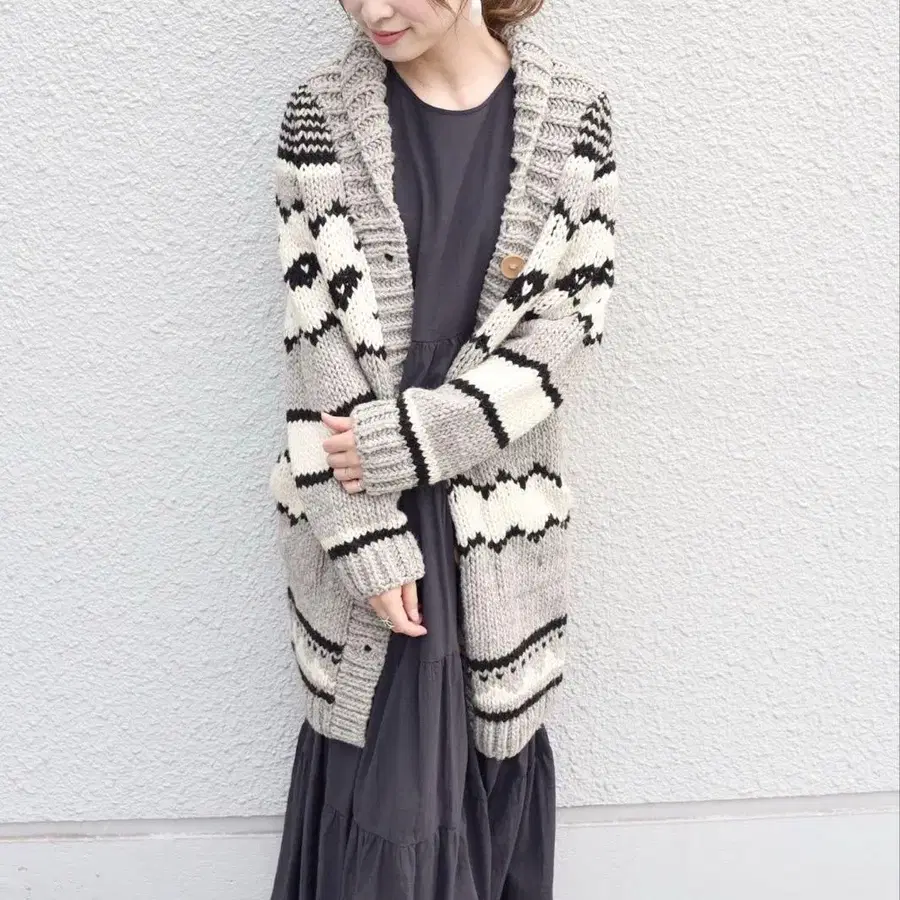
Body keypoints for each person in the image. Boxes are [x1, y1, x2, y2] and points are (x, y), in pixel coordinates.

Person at [266, 1, 619, 897]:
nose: (371, 11)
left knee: (490, 760)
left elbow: (565, 336)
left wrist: (417, 438)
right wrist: (360, 533)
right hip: (366, 512)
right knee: (387, 792)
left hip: (497, 518)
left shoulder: (575, 120)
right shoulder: (319, 117)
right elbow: (314, 345)